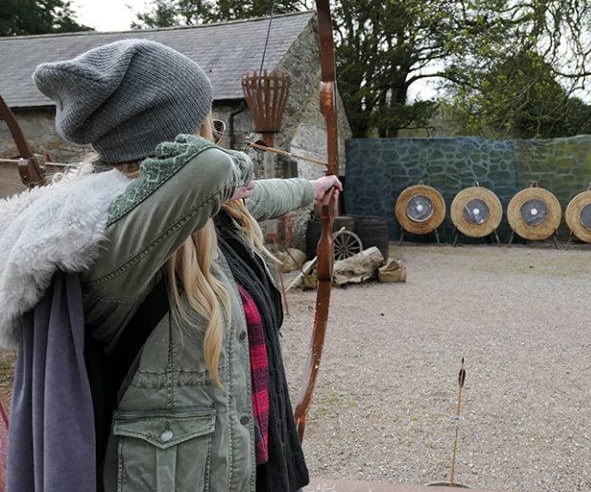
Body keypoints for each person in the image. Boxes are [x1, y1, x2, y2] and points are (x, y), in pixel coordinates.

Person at [1, 39, 341, 491]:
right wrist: (230, 165)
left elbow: (248, 195)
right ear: (176, 131)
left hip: (239, 460)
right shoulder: (115, 237)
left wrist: (314, 187)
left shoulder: (194, 211)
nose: (214, 129)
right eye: (206, 119)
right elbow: (211, 171)